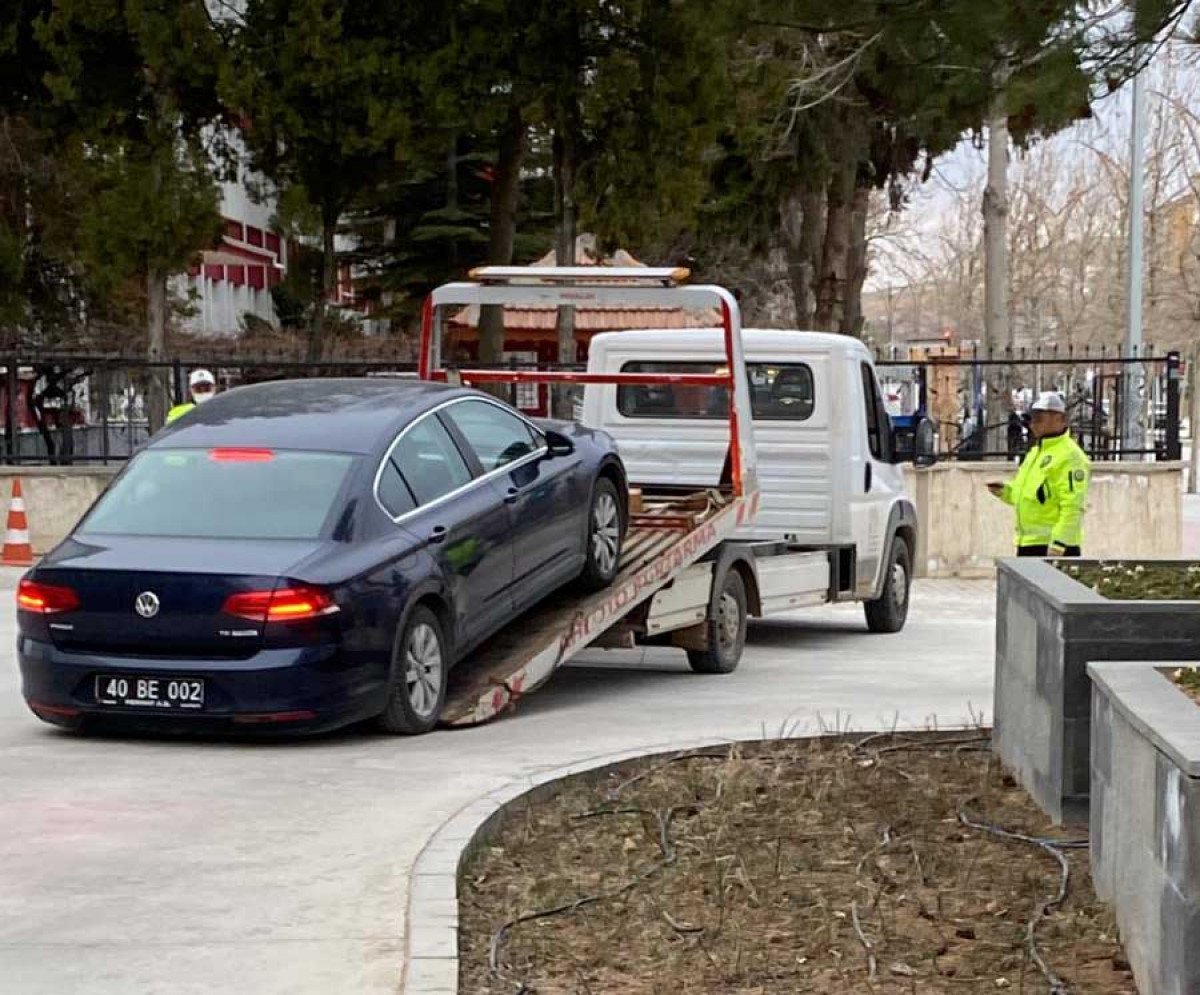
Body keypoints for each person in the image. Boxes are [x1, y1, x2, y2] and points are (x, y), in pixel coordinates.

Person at [987, 391, 1090, 557]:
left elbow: (1073, 505)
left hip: (1052, 546)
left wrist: (1059, 544)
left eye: (1039, 419)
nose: (1033, 424)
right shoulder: (1036, 452)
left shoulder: (1070, 456)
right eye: (1032, 419)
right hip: (1028, 543)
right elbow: (1033, 495)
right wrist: (1006, 492)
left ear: (1058, 419)